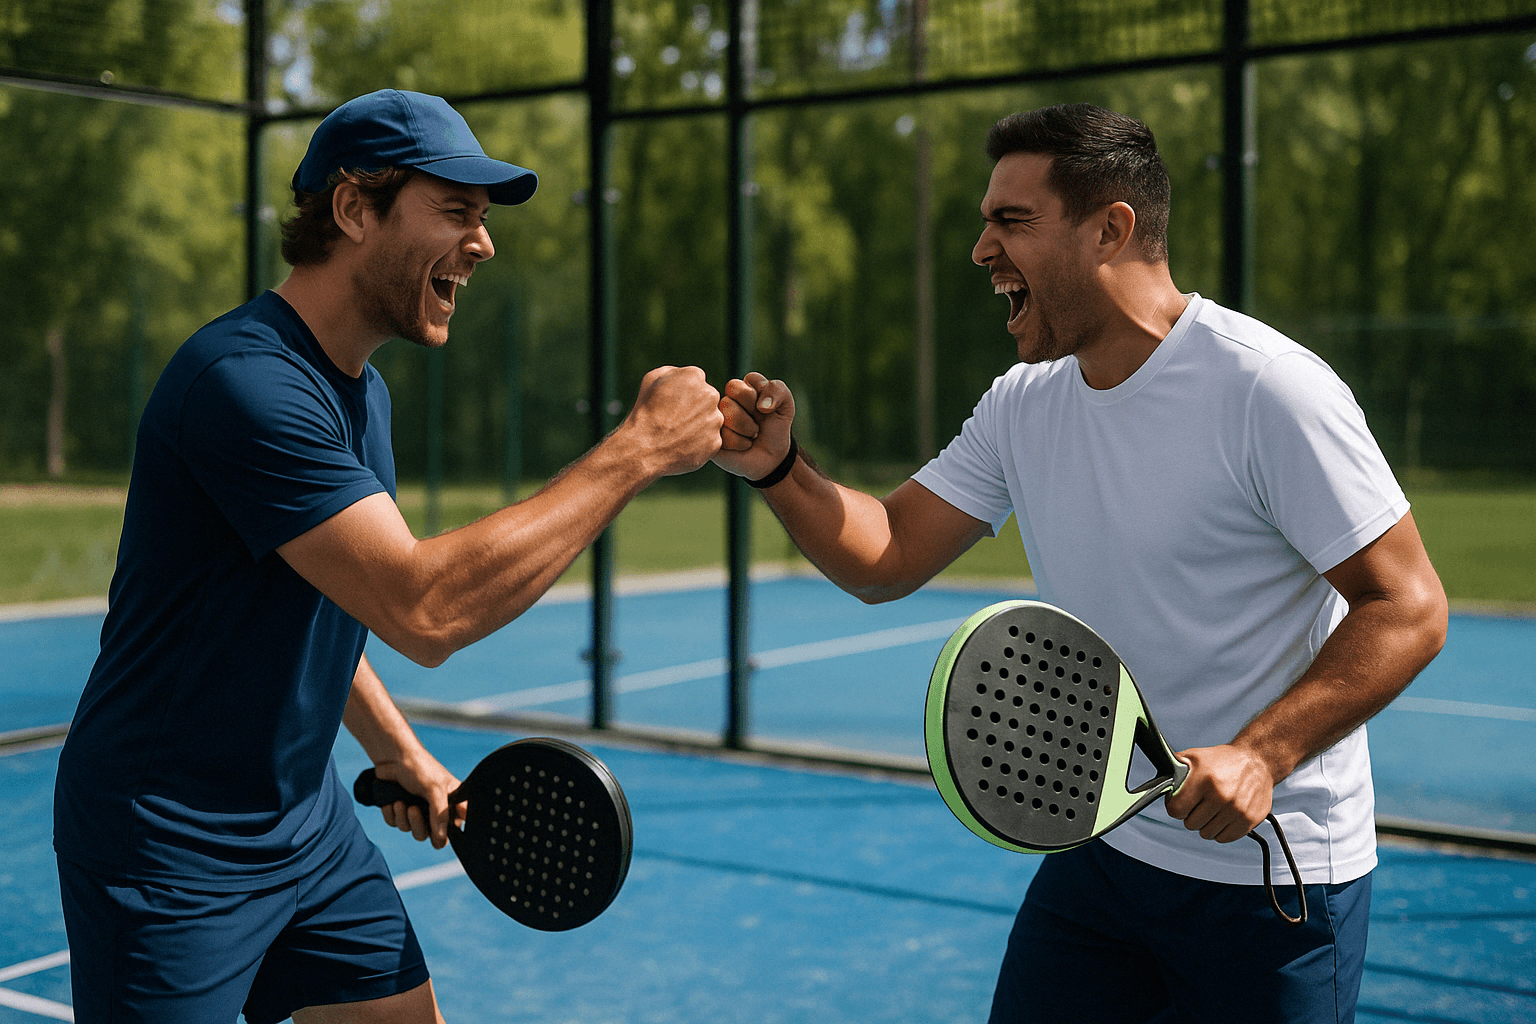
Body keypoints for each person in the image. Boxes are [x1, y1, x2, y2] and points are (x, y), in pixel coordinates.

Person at [714, 103, 1447, 1023]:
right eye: (986, 220)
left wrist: (1263, 753)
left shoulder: (1268, 388)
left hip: (1273, 880)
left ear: (1113, 228)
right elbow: (886, 555)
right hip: (1102, 860)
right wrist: (779, 469)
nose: (981, 249)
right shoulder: (1024, 402)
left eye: (1010, 221)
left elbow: (1409, 606)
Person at [53, 89, 723, 1023]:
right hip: (170, 845)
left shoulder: (363, 397)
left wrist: (399, 751)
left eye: (484, 220)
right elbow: (423, 609)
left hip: (306, 825)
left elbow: (336, 601)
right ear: (355, 209)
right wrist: (640, 449)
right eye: (456, 211)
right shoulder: (242, 384)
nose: (483, 244)